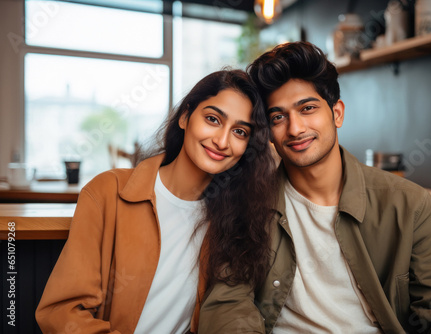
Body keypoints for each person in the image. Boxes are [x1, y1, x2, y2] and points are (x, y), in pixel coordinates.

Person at [198, 42, 431, 333]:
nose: (295, 129)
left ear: (337, 114)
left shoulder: (410, 204)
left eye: (307, 108)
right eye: (278, 117)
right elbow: (228, 304)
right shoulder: (248, 203)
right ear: (268, 131)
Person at [35, 69, 277, 334]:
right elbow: (62, 312)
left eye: (240, 132)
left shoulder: (235, 218)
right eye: (212, 119)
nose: (222, 141)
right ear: (185, 117)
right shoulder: (108, 191)